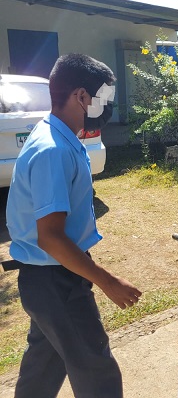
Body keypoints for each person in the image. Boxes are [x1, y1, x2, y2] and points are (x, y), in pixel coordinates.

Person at [6, 54, 142, 398]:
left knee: (42, 368)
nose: (106, 107)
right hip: (56, 280)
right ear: (82, 96)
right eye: (103, 99)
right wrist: (108, 281)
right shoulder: (54, 149)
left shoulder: (60, 135)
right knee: (98, 375)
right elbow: (50, 238)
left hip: (48, 278)